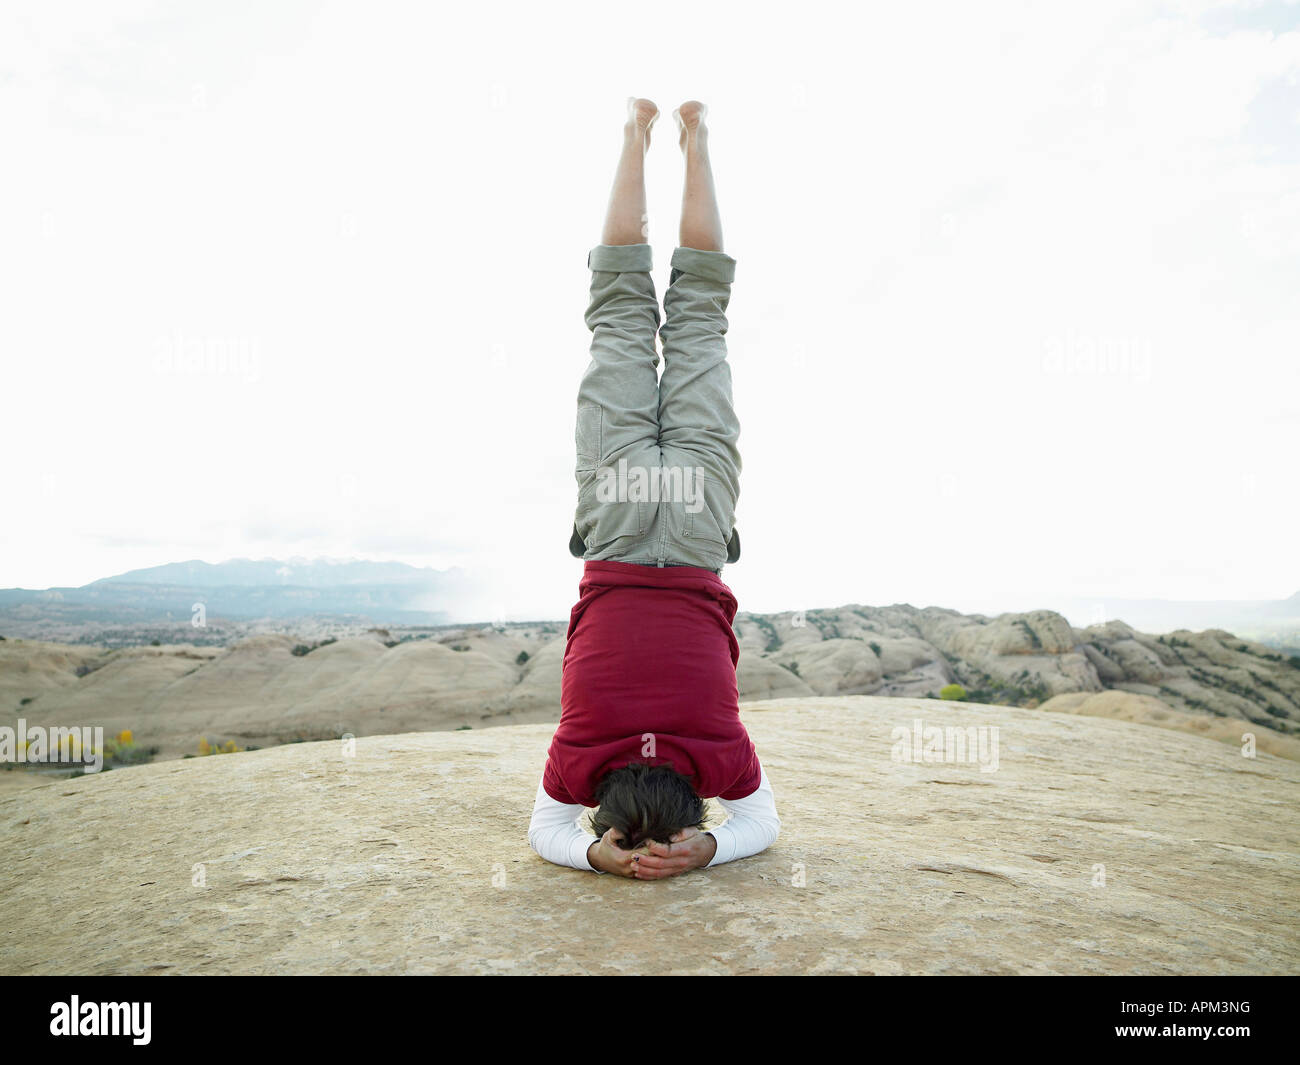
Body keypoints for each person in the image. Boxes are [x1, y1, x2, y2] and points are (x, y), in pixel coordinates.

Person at [527, 98, 780, 879]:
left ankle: (694, 141)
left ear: (696, 795)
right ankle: (637, 136)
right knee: (621, 315)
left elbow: (759, 822)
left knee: (700, 316)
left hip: (699, 523)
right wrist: (596, 854)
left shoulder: (719, 757)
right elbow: (547, 830)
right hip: (618, 514)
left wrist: (706, 845)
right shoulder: (577, 758)